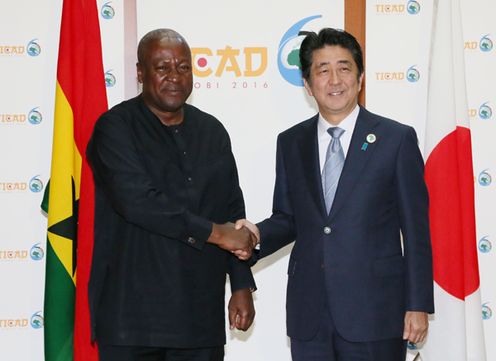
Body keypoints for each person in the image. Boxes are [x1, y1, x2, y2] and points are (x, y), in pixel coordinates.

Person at [236, 28, 434, 361]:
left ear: (360, 78)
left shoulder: (395, 139)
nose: (334, 79)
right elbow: (289, 218)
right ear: (307, 84)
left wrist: (417, 305)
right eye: (323, 70)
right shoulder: (291, 142)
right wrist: (255, 236)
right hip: (309, 314)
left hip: (375, 312)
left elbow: (416, 231)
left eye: (344, 68)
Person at [86, 28, 257, 361]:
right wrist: (215, 234)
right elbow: (138, 201)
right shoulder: (115, 127)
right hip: (132, 320)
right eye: (162, 67)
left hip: (199, 317)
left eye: (183, 67)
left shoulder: (212, 130)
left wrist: (240, 283)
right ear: (140, 73)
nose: (174, 77)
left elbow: (231, 207)